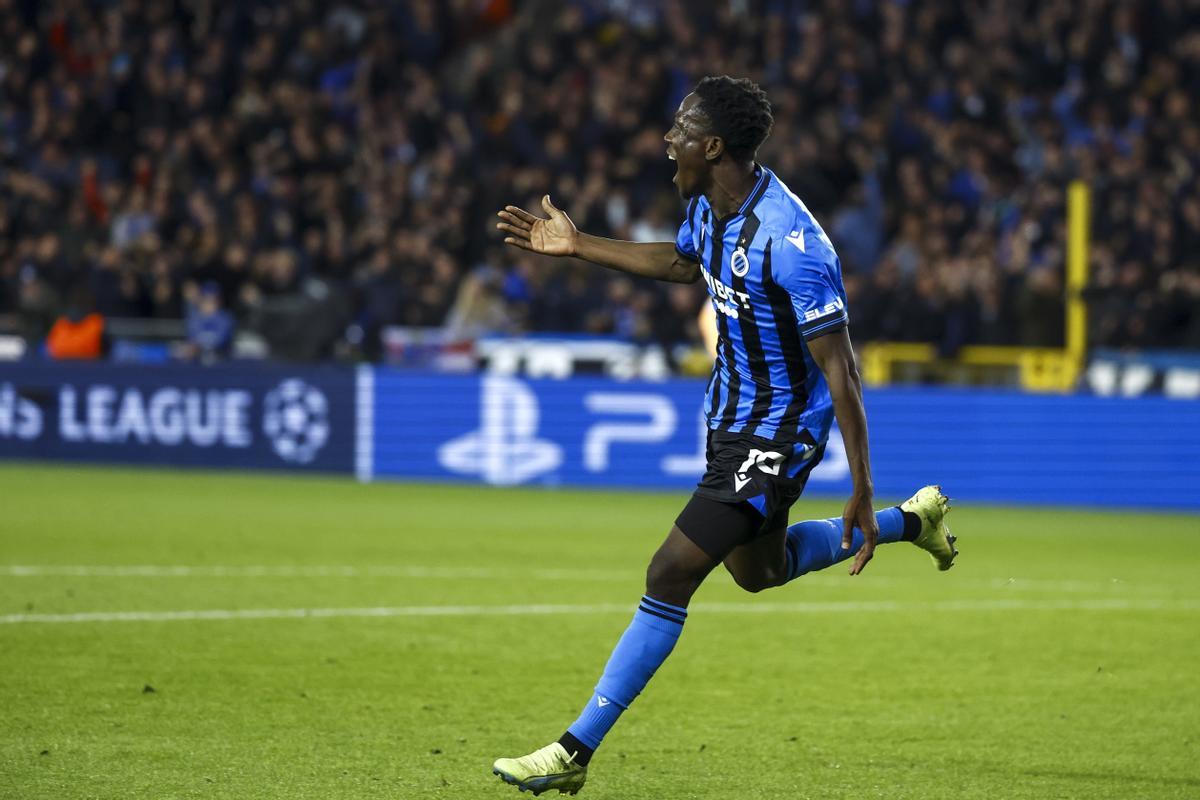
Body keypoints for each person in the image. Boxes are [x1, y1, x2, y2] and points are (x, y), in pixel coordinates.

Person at [491, 76, 958, 796]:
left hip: (777, 437)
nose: (666, 140)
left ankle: (573, 751)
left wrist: (859, 486)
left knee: (669, 571)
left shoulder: (794, 242)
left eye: (680, 129)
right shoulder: (710, 208)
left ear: (712, 146)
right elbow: (685, 262)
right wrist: (580, 245)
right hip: (729, 421)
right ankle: (913, 521)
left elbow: (845, 374)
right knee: (756, 572)